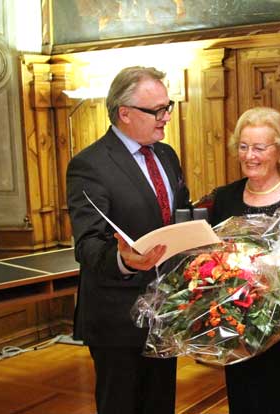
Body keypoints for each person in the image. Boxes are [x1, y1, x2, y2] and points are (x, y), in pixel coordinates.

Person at [66, 66, 190, 414]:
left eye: (169, 107)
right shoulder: (89, 165)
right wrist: (125, 260)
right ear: (125, 113)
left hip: (165, 312)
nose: (166, 117)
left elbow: (178, 214)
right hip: (117, 319)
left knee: (161, 404)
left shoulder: (166, 154)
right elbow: (88, 244)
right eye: (157, 111)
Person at [210, 107, 280, 414]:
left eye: (259, 147)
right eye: (243, 147)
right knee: (243, 403)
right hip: (236, 327)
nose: (249, 156)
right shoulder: (225, 198)